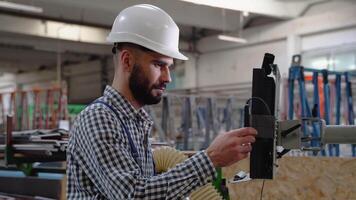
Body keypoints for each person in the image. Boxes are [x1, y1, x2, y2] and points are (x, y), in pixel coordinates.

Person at [67, 4, 257, 199]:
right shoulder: (98, 118)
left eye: (169, 67)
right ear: (127, 61)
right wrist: (210, 158)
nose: (168, 78)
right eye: (159, 65)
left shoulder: (135, 121)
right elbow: (133, 195)